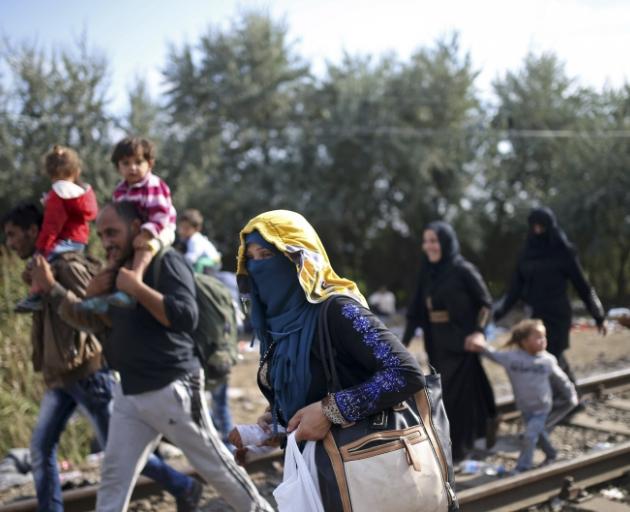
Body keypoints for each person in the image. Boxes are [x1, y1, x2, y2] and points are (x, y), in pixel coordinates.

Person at [31, 201, 273, 512]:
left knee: (216, 467)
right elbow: (91, 321)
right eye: (101, 235)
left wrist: (136, 288)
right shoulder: (116, 273)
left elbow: (186, 316)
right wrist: (61, 290)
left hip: (171, 387)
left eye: (112, 233)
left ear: (135, 229)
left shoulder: (166, 261)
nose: (105, 242)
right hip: (129, 393)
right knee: (114, 478)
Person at [2, 203, 202, 512]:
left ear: (33, 231)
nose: (10, 243)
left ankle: (184, 485)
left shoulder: (65, 266)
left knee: (121, 454)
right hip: (62, 377)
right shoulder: (41, 271)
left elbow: (96, 311)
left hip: (89, 375)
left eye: (14, 235)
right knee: (42, 449)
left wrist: (52, 287)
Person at [235, 209, 425, 444]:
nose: (257, 268)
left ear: (298, 258)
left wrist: (330, 411)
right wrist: (276, 418)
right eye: (251, 259)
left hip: (359, 466)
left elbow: (405, 373)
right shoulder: (274, 325)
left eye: (266, 254)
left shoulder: (338, 309)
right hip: (310, 467)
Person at [401, 221, 496, 461]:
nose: (428, 246)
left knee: (457, 397)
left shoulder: (463, 269)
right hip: (437, 344)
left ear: (445, 242)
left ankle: (461, 450)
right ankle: (460, 444)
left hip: (463, 344)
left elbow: (485, 304)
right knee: (442, 395)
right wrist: (403, 343)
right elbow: (415, 311)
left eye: (433, 241)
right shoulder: (426, 272)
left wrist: (479, 332)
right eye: (426, 241)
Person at [493, 207, 606, 383]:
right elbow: (514, 290)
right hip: (535, 316)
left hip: (558, 314)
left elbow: (582, 285)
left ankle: (569, 397)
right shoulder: (525, 254)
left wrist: (598, 314)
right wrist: (497, 313)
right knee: (542, 355)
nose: (537, 231)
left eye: (542, 227)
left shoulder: (564, 251)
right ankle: (565, 398)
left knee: (553, 353)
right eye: (534, 227)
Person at [466, 319, 578, 473]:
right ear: (524, 341)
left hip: (542, 408)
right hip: (525, 408)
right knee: (539, 433)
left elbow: (563, 380)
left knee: (529, 436)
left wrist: (571, 396)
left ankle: (522, 468)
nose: (543, 340)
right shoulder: (512, 358)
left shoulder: (547, 360)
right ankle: (552, 454)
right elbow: (493, 355)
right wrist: (480, 346)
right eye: (538, 337)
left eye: (544, 336)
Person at [82, 136, 177, 310]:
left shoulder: (153, 185)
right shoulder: (120, 190)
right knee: (116, 258)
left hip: (160, 229)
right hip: (136, 231)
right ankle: (103, 296)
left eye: (138, 162)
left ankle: (135, 281)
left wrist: (147, 233)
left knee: (144, 248)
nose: (132, 168)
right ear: (118, 167)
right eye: (126, 163)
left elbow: (161, 215)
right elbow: (118, 215)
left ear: (150, 164)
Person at [177, 208, 235, 446]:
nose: (182, 232)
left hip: (211, 352)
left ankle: (228, 444)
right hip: (219, 351)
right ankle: (228, 443)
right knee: (215, 402)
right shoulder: (220, 286)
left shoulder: (199, 280)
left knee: (211, 401)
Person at [15, 145, 97, 313]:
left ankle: (36, 295)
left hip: (64, 240)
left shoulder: (58, 194)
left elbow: (52, 225)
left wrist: (42, 248)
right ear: (76, 172)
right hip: (79, 241)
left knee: (40, 263)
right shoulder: (82, 193)